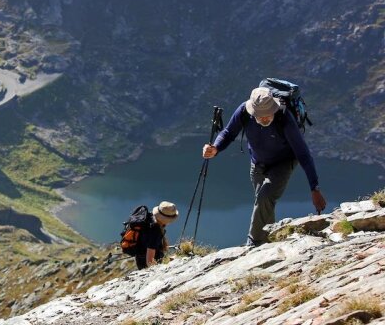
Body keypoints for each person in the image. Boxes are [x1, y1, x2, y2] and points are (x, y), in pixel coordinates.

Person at [202, 87, 327, 247]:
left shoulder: (284, 118)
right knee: (263, 204)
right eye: (261, 116)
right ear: (253, 112)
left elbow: (303, 154)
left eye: (269, 114)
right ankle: (269, 241)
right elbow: (228, 133)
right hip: (258, 163)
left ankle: (253, 244)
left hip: (283, 163)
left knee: (264, 198)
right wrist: (216, 148)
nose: (266, 118)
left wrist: (314, 187)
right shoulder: (243, 112)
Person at [135, 201, 178, 269]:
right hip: (145, 263)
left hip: (140, 256)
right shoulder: (155, 231)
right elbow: (150, 262)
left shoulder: (150, 217)